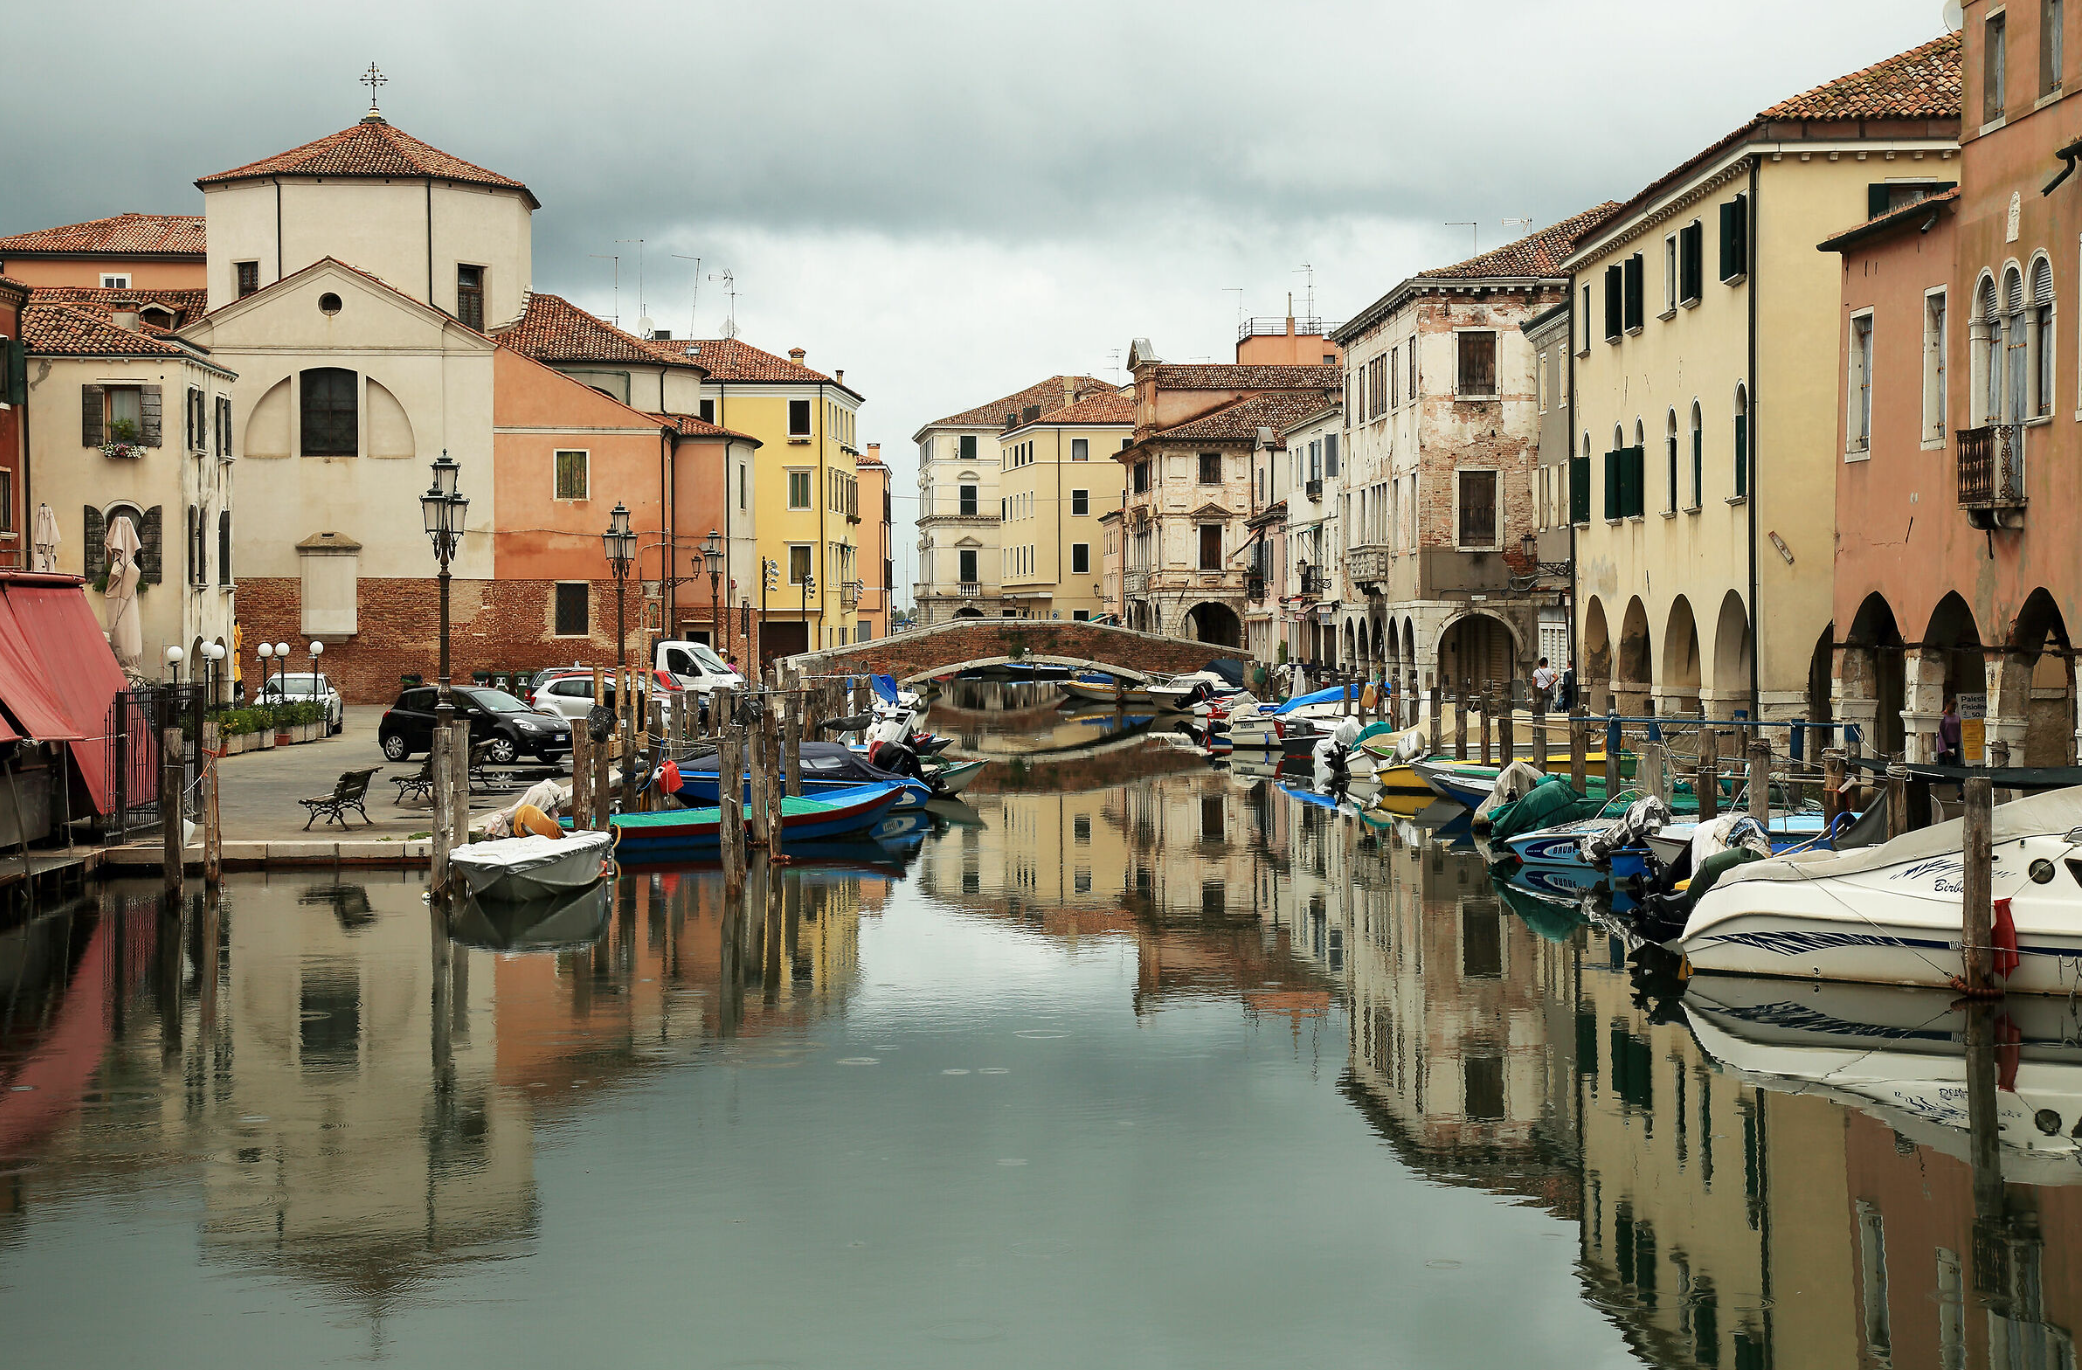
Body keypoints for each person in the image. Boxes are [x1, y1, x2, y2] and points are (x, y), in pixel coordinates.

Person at [1937, 696, 1963, 767]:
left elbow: (1959, 731)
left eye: (1955, 705)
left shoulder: (1957, 717)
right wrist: (1944, 749)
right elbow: (1940, 733)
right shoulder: (1942, 717)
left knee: (1955, 764)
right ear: (1947, 704)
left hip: (1955, 744)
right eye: (1953, 704)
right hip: (1945, 744)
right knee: (1945, 765)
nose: (1954, 707)